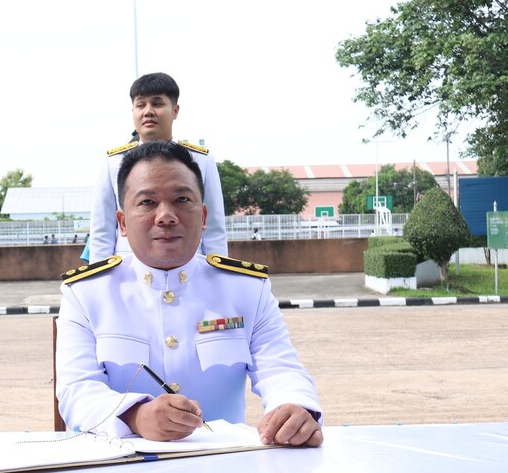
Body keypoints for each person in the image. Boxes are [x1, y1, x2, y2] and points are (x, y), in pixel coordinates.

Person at [57, 141, 323, 447]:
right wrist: (135, 416)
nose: (166, 216)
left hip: (224, 465)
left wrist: (295, 408)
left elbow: (281, 369)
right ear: (122, 223)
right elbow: (76, 389)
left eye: (182, 199)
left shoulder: (247, 289)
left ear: (204, 216)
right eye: (147, 202)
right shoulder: (86, 293)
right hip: (121, 463)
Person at [88, 72, 227, 262]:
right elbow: (102, 232)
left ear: (175, 110)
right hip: (130, 269)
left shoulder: (201, 160)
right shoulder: (113, 162)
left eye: (157, 103)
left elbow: (214, 229)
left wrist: (216, 274)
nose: (148, 111)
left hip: (189, 267)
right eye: (140, 105)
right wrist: (101, 277)